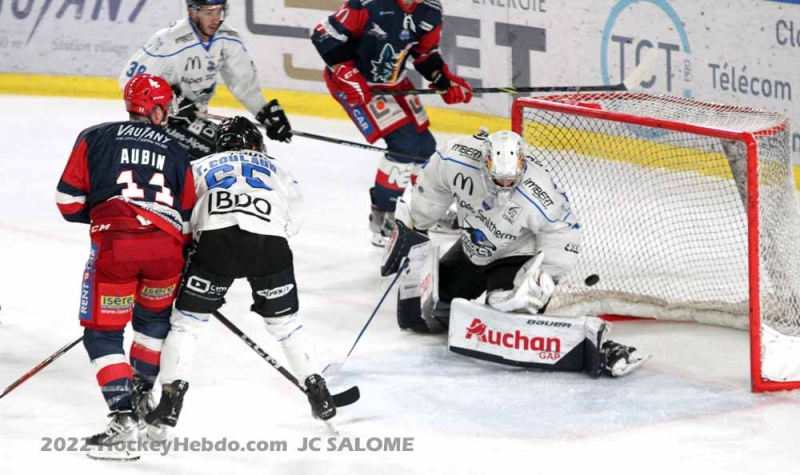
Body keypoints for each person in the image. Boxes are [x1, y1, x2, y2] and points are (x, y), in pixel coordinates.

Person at [382, 129, 649, 377]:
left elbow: (564, 233)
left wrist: (545, 276)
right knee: (418, 315)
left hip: (516, 255)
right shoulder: (456, 157)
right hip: (472, 249)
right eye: (499, 178)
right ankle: (487, 311)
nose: (505, 185)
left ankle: (594, 347)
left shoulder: (539, 192)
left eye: (511, 179)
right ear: (485, 162)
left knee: (506, 315)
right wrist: (415, 223)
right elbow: (433, 185)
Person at [144, 116, 336, 433]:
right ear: (257, 144)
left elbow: (182, 217)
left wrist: (195, 247)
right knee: (287, 325)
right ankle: (319, 393)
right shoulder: (277, 167)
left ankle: (170, 401)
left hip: (216, 245)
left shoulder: (200, 165)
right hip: (270, 246)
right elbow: (294, 221)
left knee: (187, 325)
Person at [56, 74, 196, 460]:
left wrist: (104, 214)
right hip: (167, 253)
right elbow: (186, 220)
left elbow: (67, 202)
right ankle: (142, 401)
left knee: (102, 335)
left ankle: (123, 420)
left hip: (117, 249)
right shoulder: (178, 149)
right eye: (164, 108)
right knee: (152, 326)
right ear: (155, 109)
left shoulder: (94, 137)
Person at [311, 0, 473, 246]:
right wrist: (347, 72)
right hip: (355, 85)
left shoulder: (430, 10)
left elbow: (425, 54)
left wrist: (442, 79)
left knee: (425, 146)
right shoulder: (366, 4)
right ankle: (384, 219)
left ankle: (427, 213)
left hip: (393, 83)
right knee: (404, 144)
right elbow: (323, 35)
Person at [119, 0, 292, 161]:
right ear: (192, 11)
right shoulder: (169, 40)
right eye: (209, 12)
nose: (216, 19)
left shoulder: (228, 39)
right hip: (161, 122)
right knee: (223, 157)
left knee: (246, 151)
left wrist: (265, 113)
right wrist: (172, 100)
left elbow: (243, 84)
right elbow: (130, 81)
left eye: (220, 11)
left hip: (193, 119)